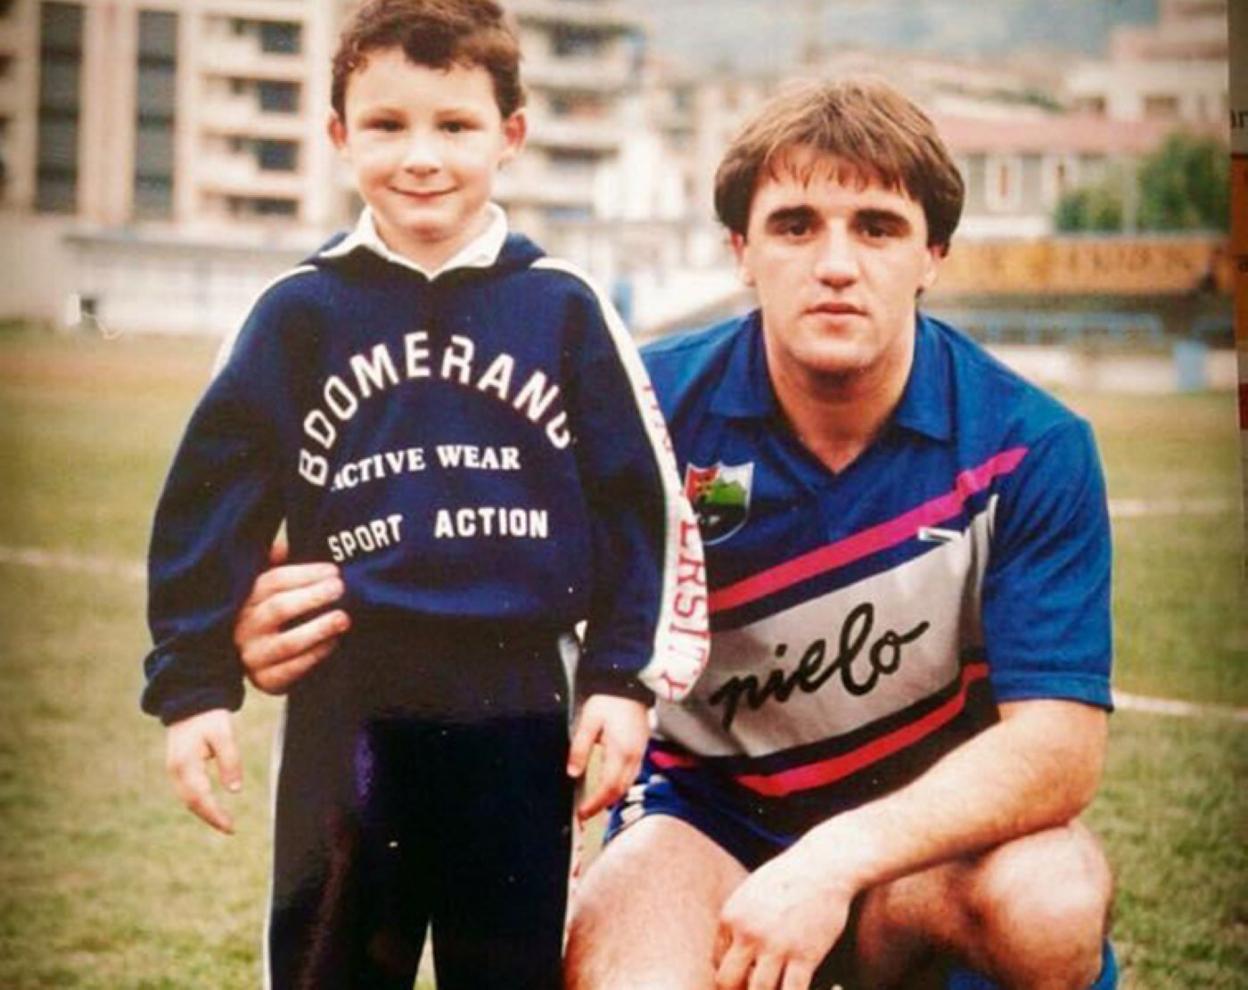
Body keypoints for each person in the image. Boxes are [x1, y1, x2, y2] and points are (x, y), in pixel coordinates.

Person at [234, 77, 1117, 990]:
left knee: (1049, 904)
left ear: (933, 253)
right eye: (795, 226)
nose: (836, 264)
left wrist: (835, 859)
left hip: (920, 847)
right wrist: (274, 609)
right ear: (741, 250)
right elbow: (436, 534)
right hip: (705, 824)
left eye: (878, 228)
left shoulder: (1030, 446)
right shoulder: (638, 405)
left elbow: (1057, 752)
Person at [139, 2, 707, 988]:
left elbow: (639, 509)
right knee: (330, 965)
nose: (421, 157)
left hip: (520, 702)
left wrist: (622, 682)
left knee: (509, 968)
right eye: (387, 125)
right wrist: (192, 689)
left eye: (455, 125)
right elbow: (210, 505)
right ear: (338, 135)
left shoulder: (564, 308)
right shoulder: (298, 312)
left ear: (510, 134)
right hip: (349, 701)